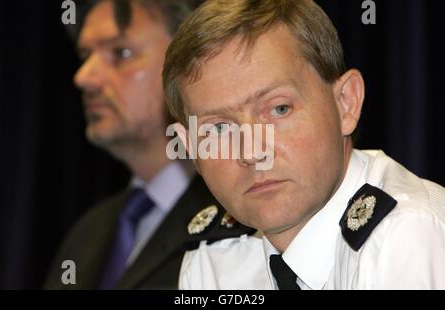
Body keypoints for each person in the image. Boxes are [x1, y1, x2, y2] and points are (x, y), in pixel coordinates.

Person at [162, 0, 445, 289]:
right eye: (219, 128)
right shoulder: (214, 257)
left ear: (346, 104)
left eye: (280, 109)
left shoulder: (405, 235)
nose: (252, 152)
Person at [44, 0, 254, 290]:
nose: (84, 78)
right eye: (85, 55)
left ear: (191, 64)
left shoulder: (248, 216)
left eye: (121, 52)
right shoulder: (86, 234)